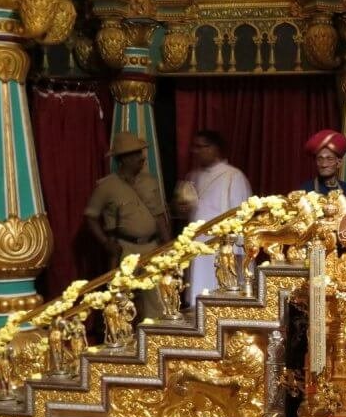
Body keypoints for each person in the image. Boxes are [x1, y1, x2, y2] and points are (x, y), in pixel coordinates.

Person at [84, 131, 170, 320]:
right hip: (125, 249)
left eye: (140, 153)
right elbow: (90, 216)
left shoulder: (149, 181)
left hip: (151, 247)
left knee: (156, 299)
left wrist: (167, 245)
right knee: (121, 299)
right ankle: (123, 340)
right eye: (135, 154)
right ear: (124, 159)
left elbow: (159, 215)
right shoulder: (107, 186)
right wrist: (106, 243)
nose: (141, 158)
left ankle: (154, 338)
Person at [176, 130, 252, 304]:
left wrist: (238, 250)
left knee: (220, 295)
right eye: (195, 147)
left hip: (221, 246)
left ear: (215, 149)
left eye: (203, 147)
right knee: (197, 293)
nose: (198, 151)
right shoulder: (192, 176)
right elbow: (188, 213)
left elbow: (240, 215)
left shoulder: (233, 176)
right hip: (197, 244)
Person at [300, 129, 346, 206]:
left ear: (339, 163)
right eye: (320, 159)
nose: (324, 164)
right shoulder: (305, 191)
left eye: (330, 159)